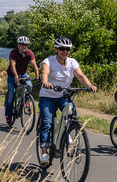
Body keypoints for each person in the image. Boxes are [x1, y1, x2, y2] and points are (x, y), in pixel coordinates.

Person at [38, 37, 96, 166]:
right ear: (56, 49)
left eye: (67, 49)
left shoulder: (72, 62)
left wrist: (89, 85)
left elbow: (80, 75)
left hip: (64, 94)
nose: (65, 51)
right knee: (47, 122)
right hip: (48, 96)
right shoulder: (49, 61)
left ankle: (67, 130)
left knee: (72, 116)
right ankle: (44, 153)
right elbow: (45, 72)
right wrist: (45, 82)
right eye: (62, 49)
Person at [5, 36, 40, 126]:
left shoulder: (29, 53)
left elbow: (34, 64)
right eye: (22, 45)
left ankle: (25, 100)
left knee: (29, 85)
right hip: (12, 75)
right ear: (18, 45)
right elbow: (12, 65)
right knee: (11, 94)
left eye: (26, 45)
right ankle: (9, 114)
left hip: (24, 74)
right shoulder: (13, 52)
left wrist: (37, 75)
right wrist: (16, 76)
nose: (24, 47)